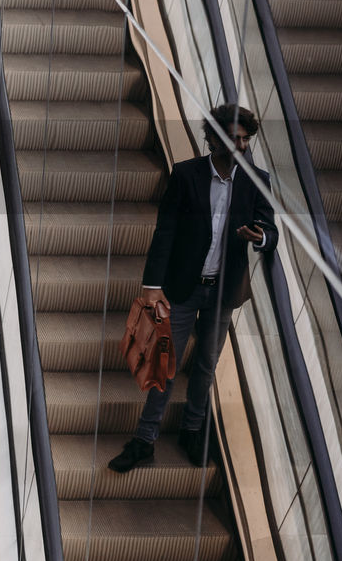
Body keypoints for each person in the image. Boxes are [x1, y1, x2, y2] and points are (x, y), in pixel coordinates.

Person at [108, 104, 279, 472]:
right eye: (234, 138)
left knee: (205, 365)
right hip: (182, 288)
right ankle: (145, 438)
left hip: (223, 289)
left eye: (246, 139)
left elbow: (271, 228)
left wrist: (260, 235)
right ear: (213, 138)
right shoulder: (186, 175)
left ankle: (193, 430)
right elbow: (165, 232)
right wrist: (153, 287)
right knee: (164, 363)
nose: (241, 146)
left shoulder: (257, 179)